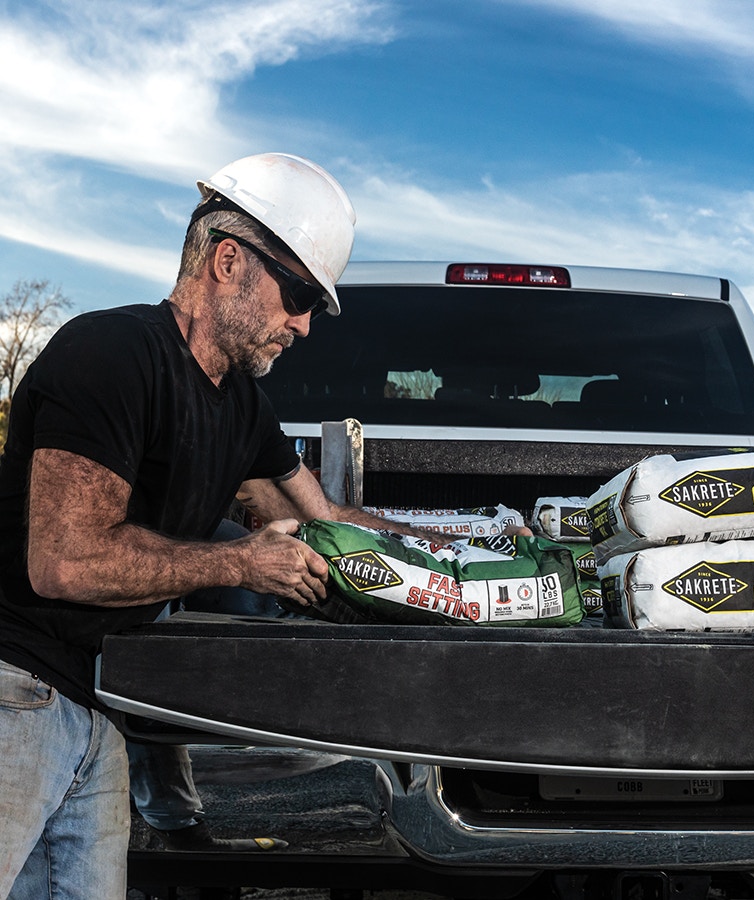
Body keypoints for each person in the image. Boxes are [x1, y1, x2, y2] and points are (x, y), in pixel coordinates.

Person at [0, 152, 437, 899]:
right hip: (16, 694)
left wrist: (461, 551)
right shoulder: (111, 354)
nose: (302, 323)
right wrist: (238, 565)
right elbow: (63, 561)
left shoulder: (239, 406)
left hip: (99, 712)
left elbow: (324, 520)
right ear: (228, 262)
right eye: (298, 293)